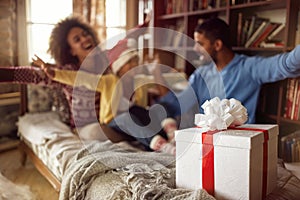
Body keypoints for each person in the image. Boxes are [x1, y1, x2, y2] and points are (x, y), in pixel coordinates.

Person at [39, 38, 178, 155]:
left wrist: (156, 72)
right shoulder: (109, 81)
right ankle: (162, 146)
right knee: (127, 117)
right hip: (114, 121)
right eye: (129, 62)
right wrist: (56, 74)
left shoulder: (140, 81)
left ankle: (172, 136)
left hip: (137, 117)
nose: (134, 65)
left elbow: (166, 89)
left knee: (160, 106)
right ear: (119, 67)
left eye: (135, 61)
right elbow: (82, 79)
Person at [156, 17, 300, 125]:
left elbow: (285, 64)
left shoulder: (249, 67)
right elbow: (176, 104)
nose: (195, 49)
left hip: (238, 143)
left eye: (200, 44)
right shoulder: (201, 75)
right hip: (205, 142)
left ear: (217, 45)